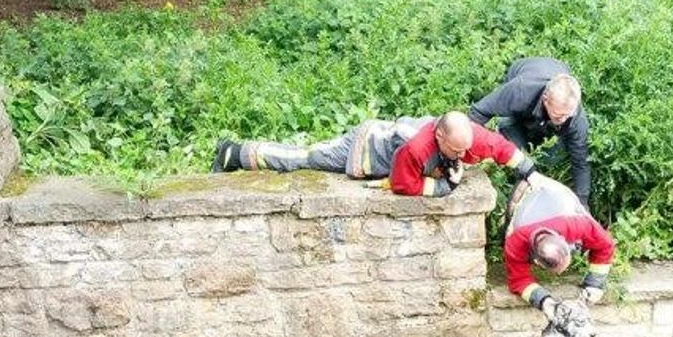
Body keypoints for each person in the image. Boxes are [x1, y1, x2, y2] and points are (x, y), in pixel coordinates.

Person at [212, 111, 544, 197]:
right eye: (455, 150)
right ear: (439, 135)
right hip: (364, 149)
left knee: (305, 156)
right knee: (305, 157)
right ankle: (235, 153)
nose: (463, 153)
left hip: (380, 148)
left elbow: (501, 148)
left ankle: (238, 153)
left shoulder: (466, 136)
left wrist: (529, 170)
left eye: (465, 148)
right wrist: (446, 188)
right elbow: (403, 185)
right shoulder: (416, 149)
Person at [469, 57, 591, 207]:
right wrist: (467, 147)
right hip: (524, 79)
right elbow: (479, 112)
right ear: (546, 100)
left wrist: (583, 202)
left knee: (552, 157)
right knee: (518, 152)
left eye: (568, 115)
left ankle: (540, 131)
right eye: (559, 115)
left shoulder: (576, 117)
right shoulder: (520, 90)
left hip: (553, 72)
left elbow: (580, 161)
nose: (565, 119)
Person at [503, 174, 615, 322]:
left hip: (558, 195)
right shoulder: (515, 242)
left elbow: (605, 245)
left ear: (562, 238)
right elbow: (518, 280)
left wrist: (595, 283)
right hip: (524, 195)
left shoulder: (577, 223)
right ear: (537, 262)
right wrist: (545, 302)